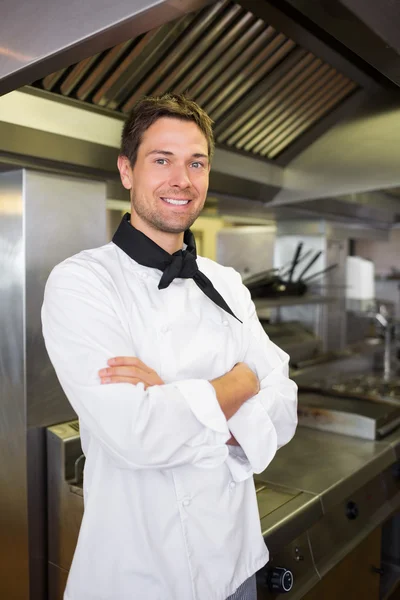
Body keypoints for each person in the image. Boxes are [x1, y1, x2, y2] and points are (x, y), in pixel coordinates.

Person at [42, 93, 298, 600]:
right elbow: (138, 432)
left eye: (196, 162)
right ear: (127, 170)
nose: (182, 178)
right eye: (162, 160)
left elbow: (285, 408)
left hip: (235, 565)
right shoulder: (81, 282)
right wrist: (240, 382)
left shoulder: (226, 282)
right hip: (138, 577)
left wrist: (177, 397)